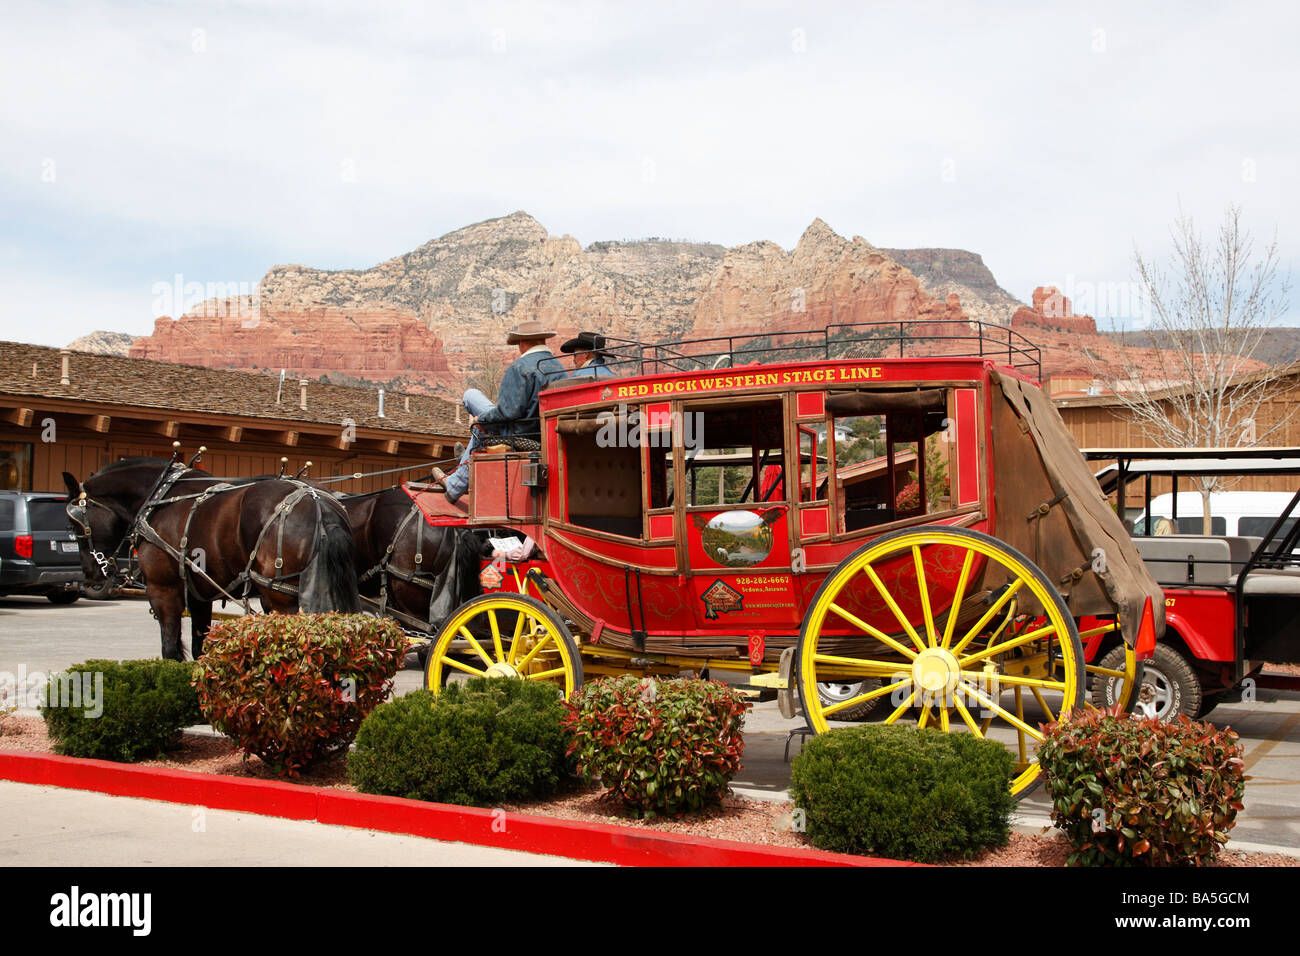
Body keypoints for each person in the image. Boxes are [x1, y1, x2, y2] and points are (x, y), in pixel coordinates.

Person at [433, 320, 556, 503]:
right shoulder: (559, 368)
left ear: (522, 343)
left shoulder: (520, 367)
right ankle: (462, 465)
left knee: (472, 401)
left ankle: (457, 483)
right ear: (543, 341)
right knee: (483, 420)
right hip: (543, 435)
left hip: (519, 434)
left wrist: (481, 418)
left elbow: (507, 412)